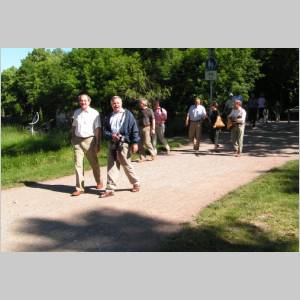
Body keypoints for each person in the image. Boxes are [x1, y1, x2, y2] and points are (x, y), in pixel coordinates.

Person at [99, 96, 140, 198]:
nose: (115, 105)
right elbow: (105, 131)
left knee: (126, 164)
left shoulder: (128, 114)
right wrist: (111, 135)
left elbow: (134, 128)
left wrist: (135, 142)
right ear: (111, 104)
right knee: (111, 165)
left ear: (121, 103)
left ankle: (136, 183)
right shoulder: (109, 116)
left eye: (117, 103)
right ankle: (110, 189)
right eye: (114, 103)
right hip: (112, 144)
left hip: (124, 143)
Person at [71, 94, 103, 196]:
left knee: (94, 163)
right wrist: (72, 137)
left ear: (89, 102)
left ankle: (99, 181)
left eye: (85, 101)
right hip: (77, 141)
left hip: (90, 140)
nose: (83, 102)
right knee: (78, 164)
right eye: (81, 101)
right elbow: (73, 126)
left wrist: (97, 143)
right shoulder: (76, 112)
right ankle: (79, 188)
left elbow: (97, 129)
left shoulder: (94, 113)